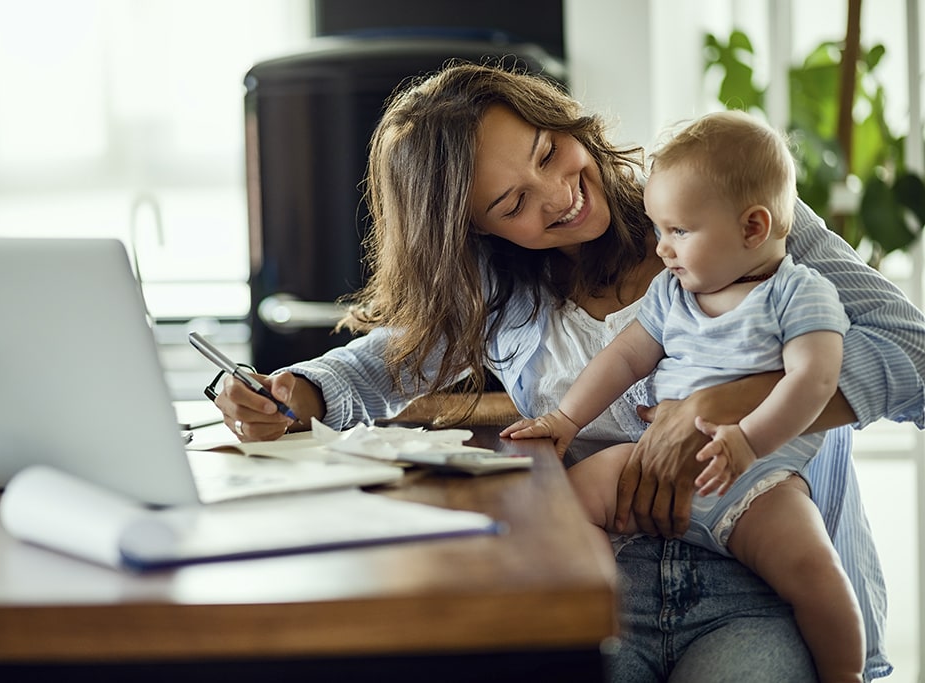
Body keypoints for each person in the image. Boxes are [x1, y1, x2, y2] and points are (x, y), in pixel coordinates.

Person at [215, 62, 925, 681]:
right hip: (603, 578)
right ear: (476, 231)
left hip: (761, 577)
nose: (558, 194)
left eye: (549, 153)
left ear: (561, 120)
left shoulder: (724, 203)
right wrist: (294, 391)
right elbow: (382, 362)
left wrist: (727, 403)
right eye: (512, 203)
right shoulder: (500, 292)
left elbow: (915, 356)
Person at [502, 110, 863, 681]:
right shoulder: (672, 293)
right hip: (652, 459)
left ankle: (845, 670)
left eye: (680, 232)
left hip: (757, 479)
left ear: (751, 228)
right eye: (659, 229)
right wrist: (567, 418)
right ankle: (599, 616)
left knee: (812, 567)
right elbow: (624, 357)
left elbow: (814, 383)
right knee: (567, 500)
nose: (662, 248)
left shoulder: (799, 293)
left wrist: (746, 441)